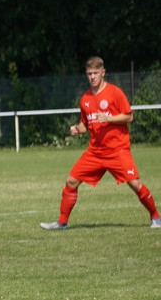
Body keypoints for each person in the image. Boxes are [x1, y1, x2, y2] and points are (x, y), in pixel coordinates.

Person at [40, 56, 160, 230]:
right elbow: (85, 125)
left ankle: (156, 218)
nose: (92, 77)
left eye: (95, 73)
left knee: (135, 184)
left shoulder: (115, 93)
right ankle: (62, 222)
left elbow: (129, 116)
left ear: (103, 72)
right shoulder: (85, 99)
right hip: (95, 152)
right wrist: (77, 129)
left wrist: (109, 118)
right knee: (71, 181)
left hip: (117, 150)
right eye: (89, 73)